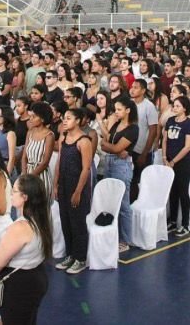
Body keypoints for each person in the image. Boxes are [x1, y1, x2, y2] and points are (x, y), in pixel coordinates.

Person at [0, 174, 52, 325]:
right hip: (36, 277)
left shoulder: (20, 227)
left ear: (25, 197)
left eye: (14, 191)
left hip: (19, 286)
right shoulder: (41, 219)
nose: (10, 194)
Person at [53, 108, 93, 274]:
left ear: (77, 121)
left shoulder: (84, 141)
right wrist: (55, 184)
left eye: (68, 118)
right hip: (63, 185)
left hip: (77, 186)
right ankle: (70, 254)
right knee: (66, 222)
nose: (64, 120)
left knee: (78, 223)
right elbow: (59, 162)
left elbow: (86, 169)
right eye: (64, 117)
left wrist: (78, 192)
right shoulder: (63, 137)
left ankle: (80, 258)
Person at [100, 98, 138, 252]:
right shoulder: (116, 124)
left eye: (119, 109)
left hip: (121, 166)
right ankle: (112, 235)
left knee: (123, 204)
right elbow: (105, 142)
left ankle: (125, 240)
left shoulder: (133, 128)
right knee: (109, 201)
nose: (116, 112)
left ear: (128, 110)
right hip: (110, 162)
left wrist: (111, 147)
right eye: (115, 109)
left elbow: (115, 148)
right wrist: (112, 147)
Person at [163, 96, 190, 237]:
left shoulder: (189, 124)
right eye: (174, 106)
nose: (174, 108)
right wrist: (165, 158)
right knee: (172, 192)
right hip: (169, 161)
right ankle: (172, 221)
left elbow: (187, 147)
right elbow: (165, 140)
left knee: (183, 192)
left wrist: (174, 161)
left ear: (184, 108)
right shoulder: (170, 121)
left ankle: (185, 224)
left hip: (182, 163)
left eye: (178, 106)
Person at [22, 102, 56, 200]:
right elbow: (24, 157)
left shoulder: (49, 135)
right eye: (30, 116)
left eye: (34, 116)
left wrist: (30, 177)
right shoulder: (30, 132)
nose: (30, 119)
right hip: (27, 173)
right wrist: (24, 174)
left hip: (41, 176)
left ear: (42, 119)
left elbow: (45, 162)